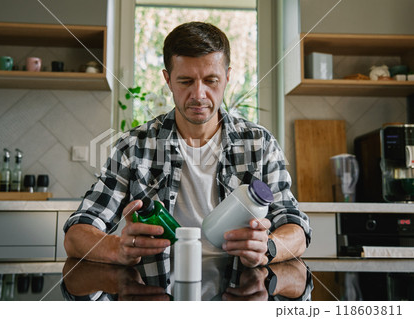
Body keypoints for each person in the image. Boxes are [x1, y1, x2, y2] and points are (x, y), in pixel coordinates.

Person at [64, 22, 311, 272]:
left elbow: (295, 228)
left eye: (211, 80)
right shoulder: (134, 146)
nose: (199, 94)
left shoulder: (260, 144)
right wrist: (117, 248)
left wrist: (267, 248)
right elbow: (77, 234)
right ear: (168, 80)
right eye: (185, 81)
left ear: (227, 77)